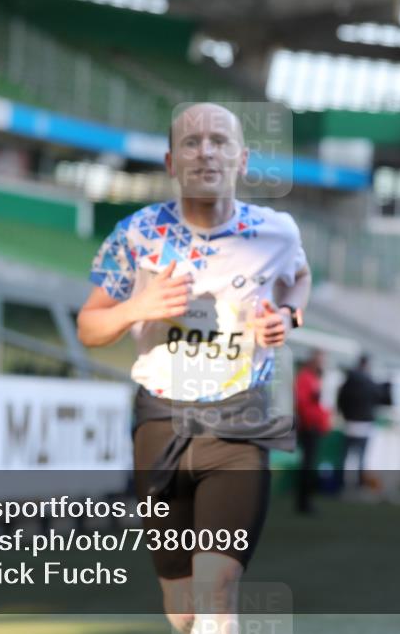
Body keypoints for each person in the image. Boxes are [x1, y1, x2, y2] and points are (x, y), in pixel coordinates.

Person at [76, 103, 310, 634]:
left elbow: (300, 277)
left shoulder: (277, 231)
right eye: (191, 142)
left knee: (216, 586)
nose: (206, 151)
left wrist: (288, 317)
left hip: (239, 421)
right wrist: (140, 307)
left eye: (220, 141)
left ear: (243, 158)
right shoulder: (135, 234)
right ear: (170, 161)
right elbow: (89, 327)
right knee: (182, 603)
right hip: (160, 422)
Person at [336, 354, 388, 492]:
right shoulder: (370, 382)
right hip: (365, 425)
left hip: (349, 423)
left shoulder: (349, 381)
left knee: (344, 456)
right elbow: (380, 398)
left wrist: (344, 414)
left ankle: (341, 483)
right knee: (361, 457)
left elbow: (340, 400)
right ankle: (358, 483)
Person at [295, 349, 332, 513]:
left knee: (310, 464)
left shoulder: (315, 379)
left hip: (314, 427)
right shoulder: (306, 378)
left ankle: (306, 500)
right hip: (309, 427)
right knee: (307, 465)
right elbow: (303, 404)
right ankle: (303, 502)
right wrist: (312, 422)